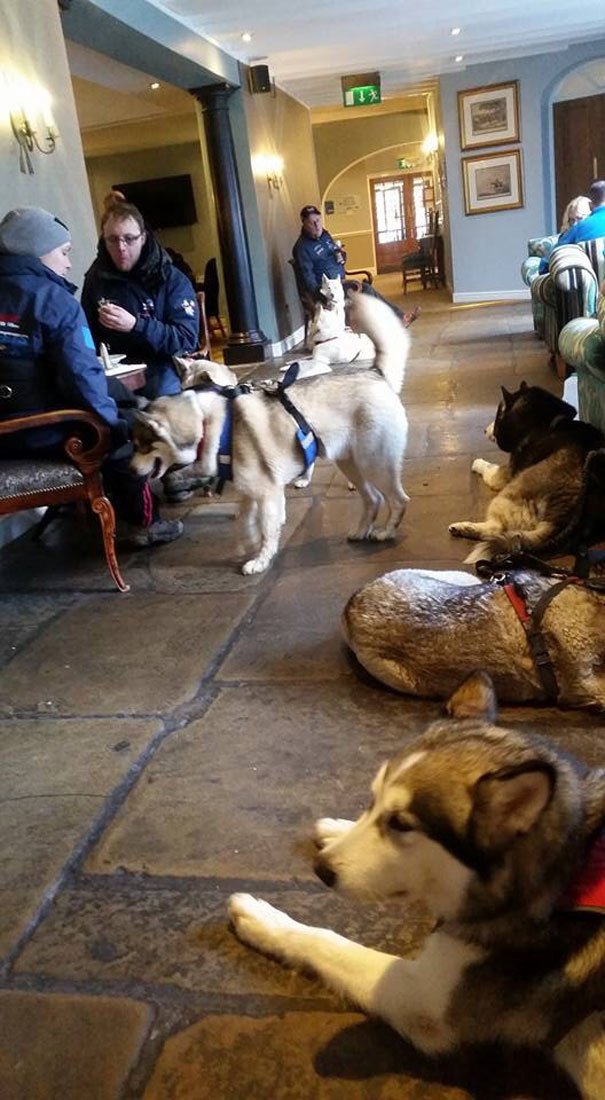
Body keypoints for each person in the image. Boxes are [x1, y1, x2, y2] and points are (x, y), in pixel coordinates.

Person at [0, 205, 182, 548]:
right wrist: (115, 425)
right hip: (42, 433)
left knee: (115, 396)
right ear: (37, 253)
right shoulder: (53, 300)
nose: (68, 263)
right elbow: (81, 377)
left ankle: (80, 514)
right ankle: (142, 523)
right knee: (123, 430)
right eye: (63, 253)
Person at [81, 200, 199, 400]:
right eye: (112, 239)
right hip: (113, 369)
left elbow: (186, 339)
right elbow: (84, 331)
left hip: (162, 363)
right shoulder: (96, 277)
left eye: (129, 239)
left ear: (143, 238)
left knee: (163, 396)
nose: (121, 248)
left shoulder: (170, 278)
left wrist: (136, 325)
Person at [292, 204, 420, 327]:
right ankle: (398, 320)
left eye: (318, 220)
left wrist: (341, 255)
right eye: (312, 222)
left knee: (367, 291)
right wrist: (325, 293)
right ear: (304, 223)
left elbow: (338, 254)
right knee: (366, 289)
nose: (317, 225)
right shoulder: (302, 248)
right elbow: (309, 281)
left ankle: (396, 320)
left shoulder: (325, 235)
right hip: (329, 290)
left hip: (341, 282)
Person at [538, 192, 593, 273]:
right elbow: (544, 265)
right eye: (572, 220)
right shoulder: (566, 236)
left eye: (579, 219)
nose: (574, 224)